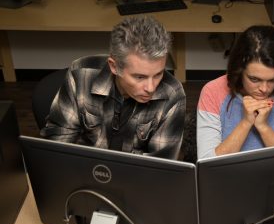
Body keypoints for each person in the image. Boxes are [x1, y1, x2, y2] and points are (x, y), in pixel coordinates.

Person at [41, 15, 186, 160]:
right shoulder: (80, 75)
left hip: (138, 179)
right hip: (82, 171)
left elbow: (162, 166)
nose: (151, 87)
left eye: (158, 74)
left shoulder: (173, 93)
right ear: (114, 66)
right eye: (139, 77)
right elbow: (58, 145)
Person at [197, 25, 274, 159]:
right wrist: (246, 122)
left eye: (272, 80)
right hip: (228, 177)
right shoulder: (213, 91)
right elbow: (207, 163)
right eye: (254, 79)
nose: (264, 88)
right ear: (239, 71)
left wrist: (263, 127)